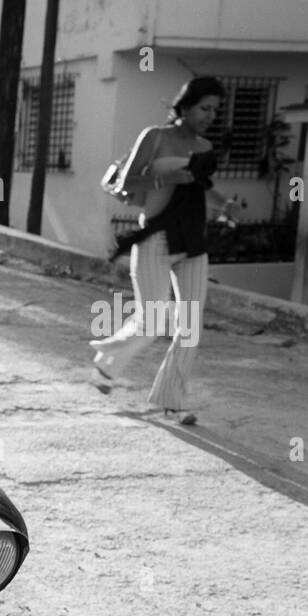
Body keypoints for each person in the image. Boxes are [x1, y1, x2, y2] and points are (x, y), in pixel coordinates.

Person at [90, 77, 242, 425]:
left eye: (215, 110)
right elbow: (127, 183)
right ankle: (107, 361)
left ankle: (172, 402)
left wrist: (226, 206)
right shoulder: (154, 137)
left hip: (192, 241)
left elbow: (203, 189)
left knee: (189, 327)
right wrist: (167, 179)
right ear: (185, 106)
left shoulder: (204, 147)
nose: (210, 116)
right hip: (156, 238)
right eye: (204, 108)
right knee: (152, 319)